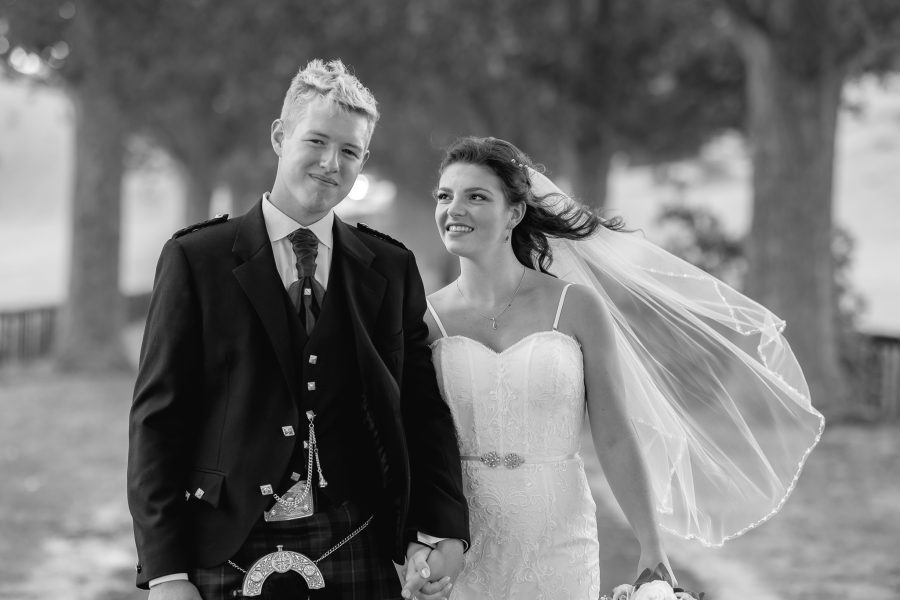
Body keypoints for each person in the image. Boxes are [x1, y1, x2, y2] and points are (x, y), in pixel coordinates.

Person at [422, 137, 825, 598]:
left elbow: (613, 433)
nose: (455, 208)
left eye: (476, 196)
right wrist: (423, 545)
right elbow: (417, 445)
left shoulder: (574, 306)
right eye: (445, 196)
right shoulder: (425, 320)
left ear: (514, 213)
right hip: (465, 539)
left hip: (558, 534)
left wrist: (651, 545)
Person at [127, 59, 468, 600]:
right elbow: (157, 420)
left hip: (357, 537)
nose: (332, 163)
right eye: (317, 141)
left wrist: (443, 527)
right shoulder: (196, 259)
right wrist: (166, 572)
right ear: (280, 137)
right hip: (226, 541)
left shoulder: (390, 267)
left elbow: (420, 409)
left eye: (350, 151)